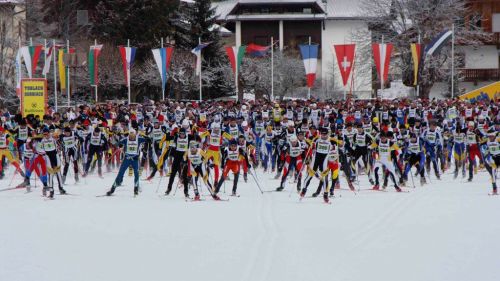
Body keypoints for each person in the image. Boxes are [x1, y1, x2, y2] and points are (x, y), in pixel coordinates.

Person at [106, 129, 146, 196]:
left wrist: (148, 138)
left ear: (135, 135)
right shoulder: (125, 139)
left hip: (135, 159)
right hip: (127, 159)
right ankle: (113, 188)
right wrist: (118, 145)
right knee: (120, 173)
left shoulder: (139, 139)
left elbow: (147, 140)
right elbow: (118, 143)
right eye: (130, 135)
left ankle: (136, 188)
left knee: (136, 174)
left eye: (133, 135)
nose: (131, 137)